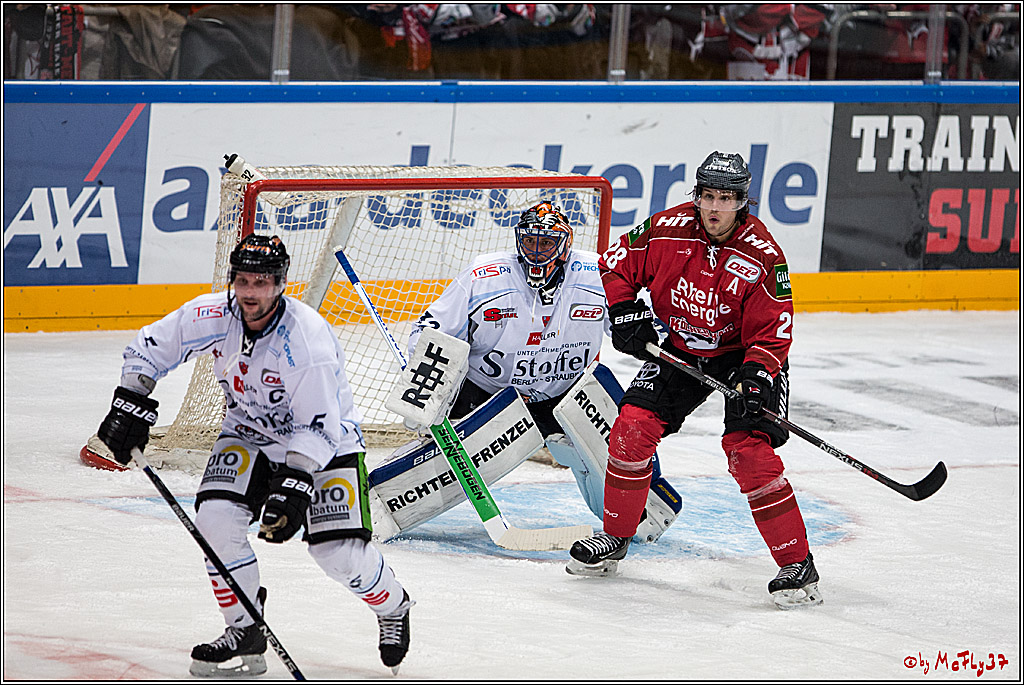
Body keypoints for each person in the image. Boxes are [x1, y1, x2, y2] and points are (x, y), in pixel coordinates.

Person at [96, 234, 415, 676]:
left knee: (336, 553)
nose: (250, 292)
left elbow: (319, 424)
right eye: (243, 280)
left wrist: (295, 482)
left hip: (325, 445)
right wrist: (131, 399)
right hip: (247, 434)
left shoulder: (305, 339)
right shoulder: (212, 314)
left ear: (280, 283)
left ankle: (393, 604)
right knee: (215, 522)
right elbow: (149, 348)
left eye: (261, 282)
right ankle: (244, 626)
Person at [567, 151, 822, 609]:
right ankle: (616, 537)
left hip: (743, 357)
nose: (715, 207)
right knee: (630, 430)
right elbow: (615, 265)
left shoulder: (764, 255)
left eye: (726, 198)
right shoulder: (665, 229)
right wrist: (624, 310)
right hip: (681, 348)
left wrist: (756, 377)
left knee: (748, 452)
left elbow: (773, 331)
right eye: (708, 196)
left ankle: (797, 563)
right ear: (697, 196)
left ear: (742, 202)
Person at [380, 201, 681, 543]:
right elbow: (431, 330)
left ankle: (636, 514)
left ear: (565, 245)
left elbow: (638, 325)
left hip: (569, 396)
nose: (537, 251)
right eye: (530, 241)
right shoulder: (484, 277)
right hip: (488, 398)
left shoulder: (596, 275)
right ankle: (384, 501)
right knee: (433, 477)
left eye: (547, 242)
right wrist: (423, 389)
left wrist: (645, 333)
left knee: (638, 492)